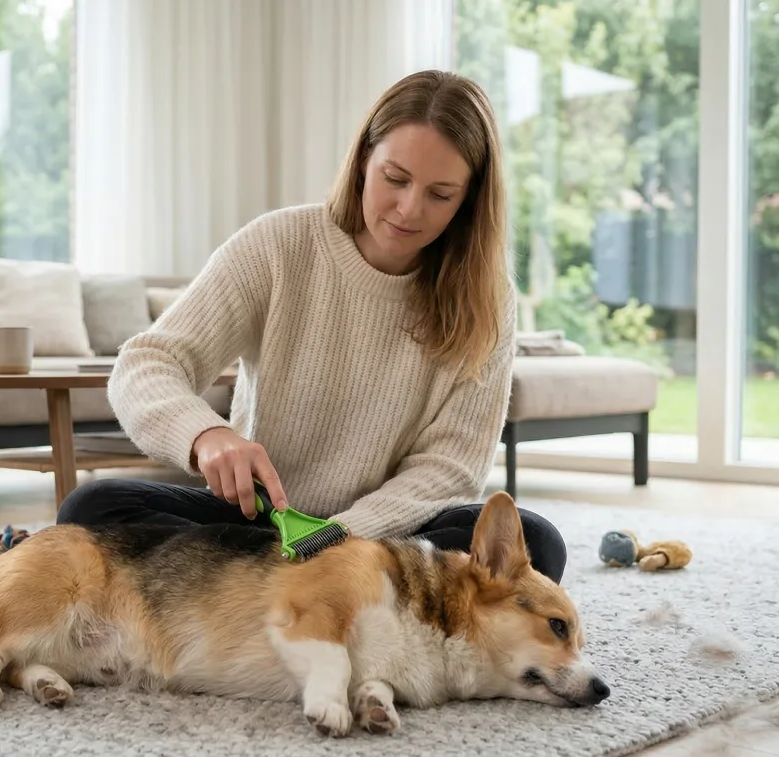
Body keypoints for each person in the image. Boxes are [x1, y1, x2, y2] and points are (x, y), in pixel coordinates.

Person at [56, 69, 568, 583]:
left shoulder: (488, 298)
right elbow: (147, 363)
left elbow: (449, 469)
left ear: (469, 200)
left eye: (440, 194)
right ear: (363, 160)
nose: (409, 208)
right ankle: (307, 596)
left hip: (380, 538)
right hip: (261, 523)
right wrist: (206, 435)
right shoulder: (278, 245)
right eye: (395, 178)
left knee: (536, 543)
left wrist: (335, 541)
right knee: (93, 509)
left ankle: (261, 594)